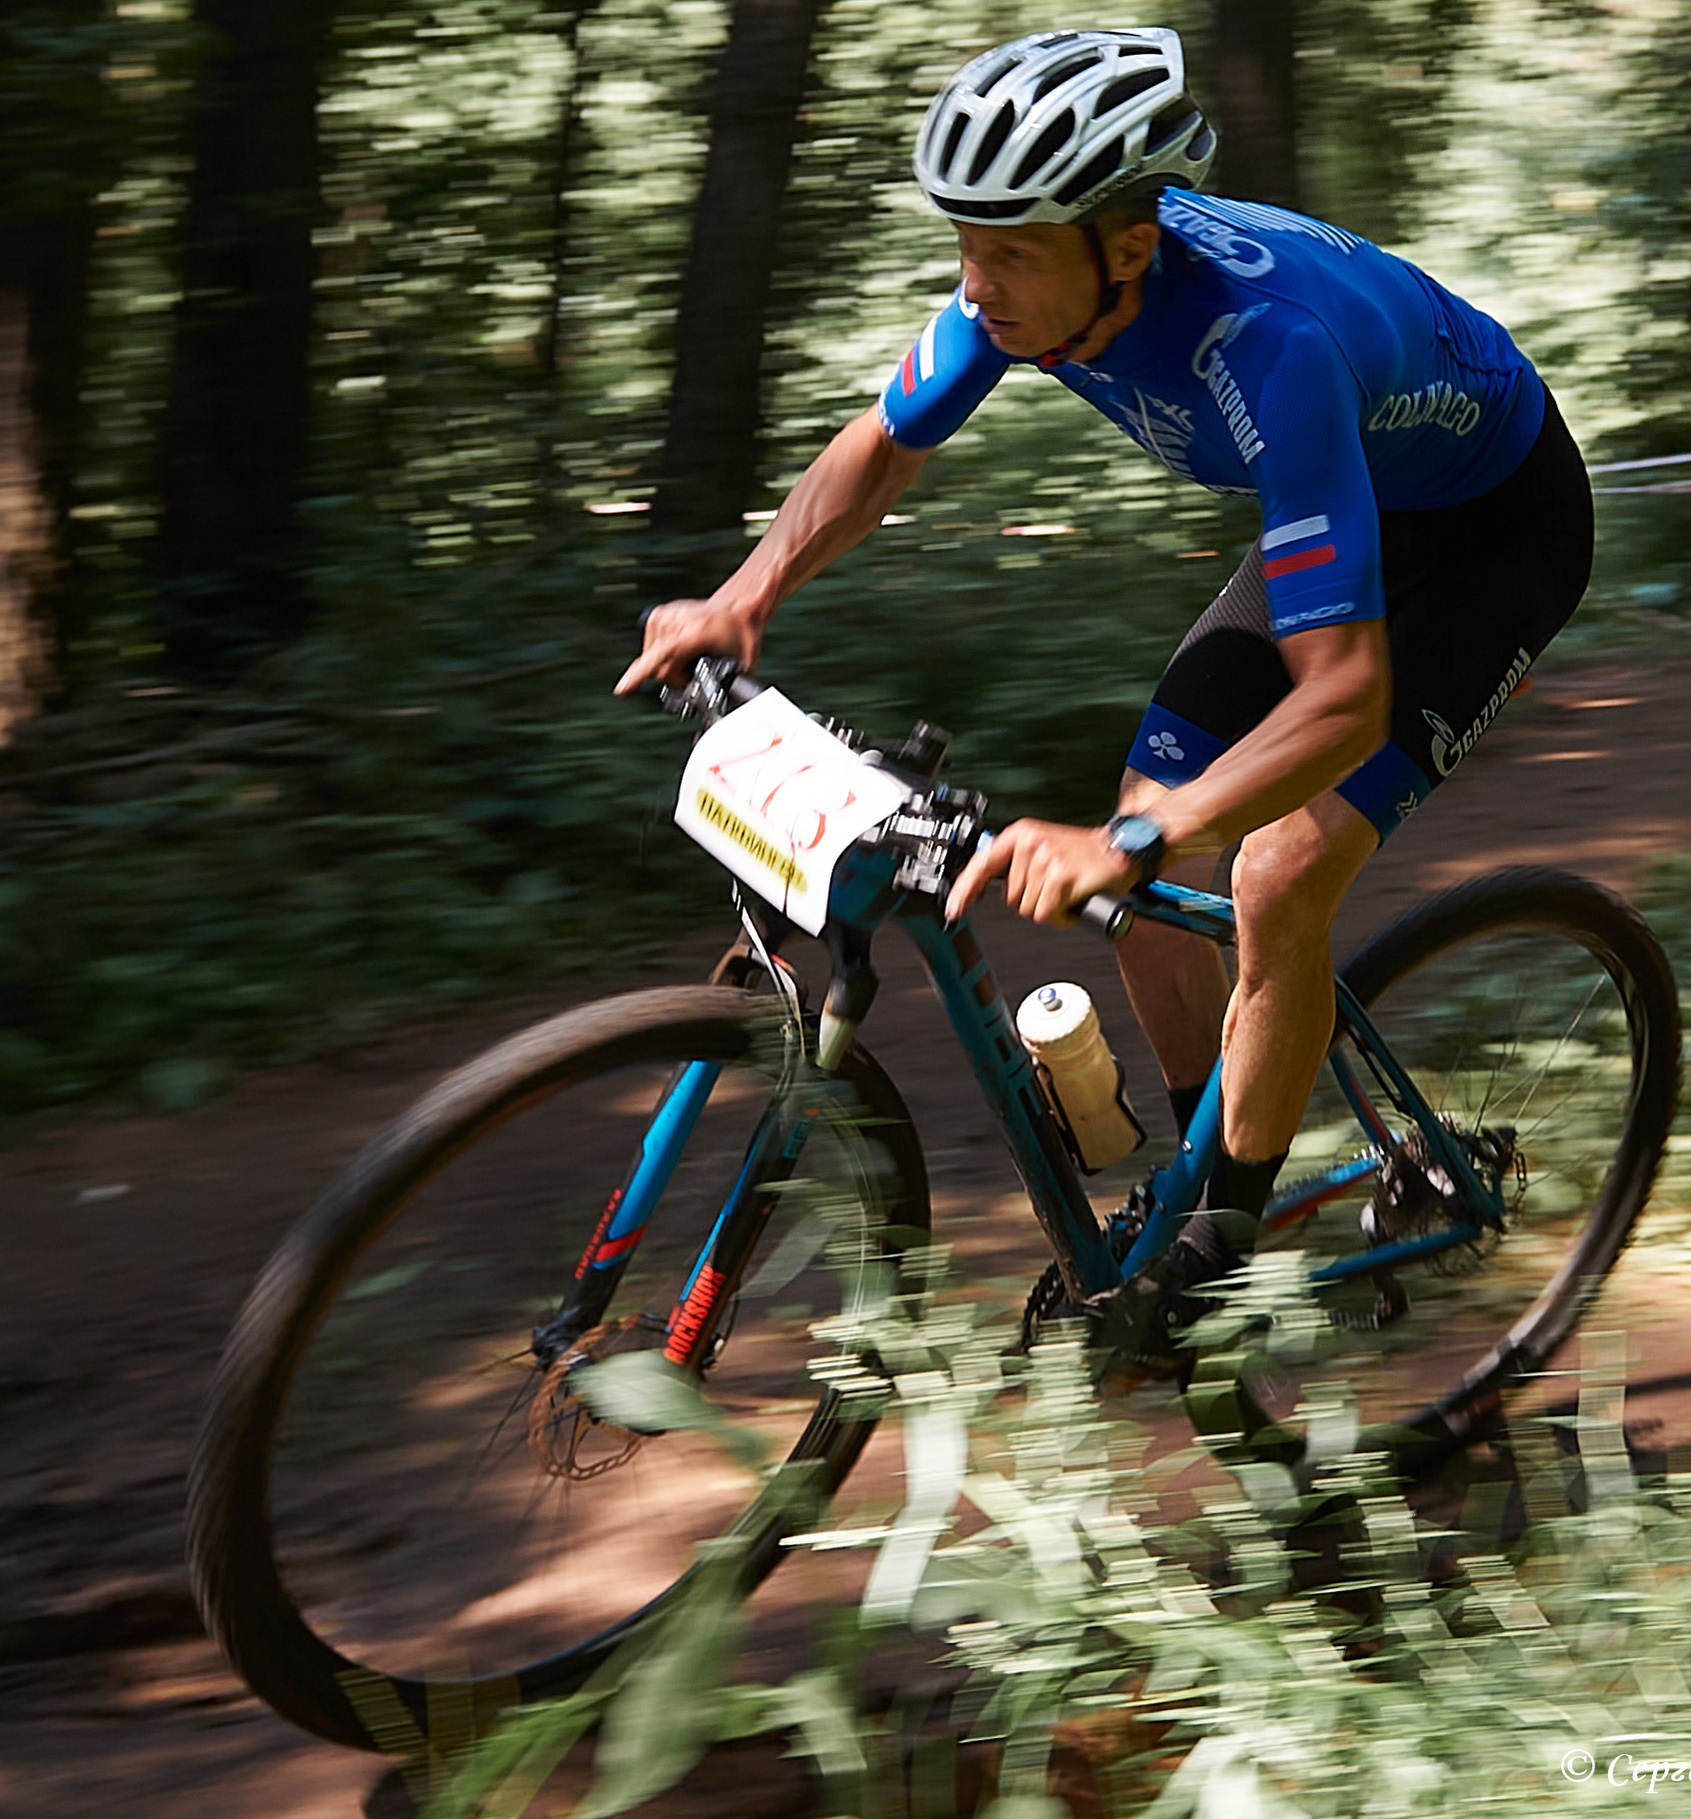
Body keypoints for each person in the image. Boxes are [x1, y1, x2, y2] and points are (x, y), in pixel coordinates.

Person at [616, 26, 1593, 1322]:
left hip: (1495, 537)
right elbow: (884, 449)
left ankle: (1225, 1255)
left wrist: (1136, 834)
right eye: (964, 243)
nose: (979, 282)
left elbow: (1344, 698)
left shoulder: (1267, 349)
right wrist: (741, 602)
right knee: (1147, 889)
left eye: (1009, 251)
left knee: (1273, 866)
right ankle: (1216, 1181)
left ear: (1127, 247)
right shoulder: (1026, 286)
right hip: (1357, 505)